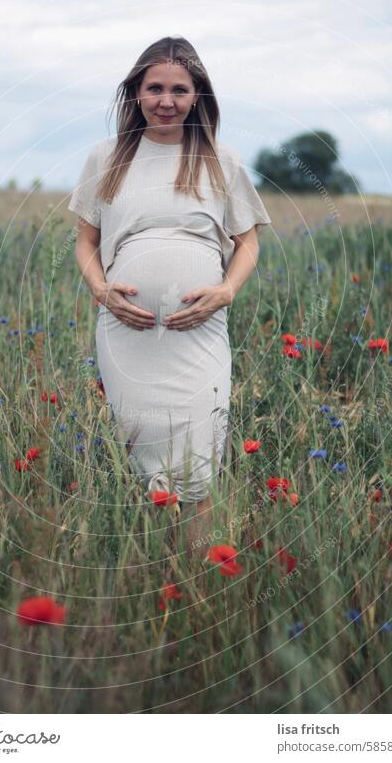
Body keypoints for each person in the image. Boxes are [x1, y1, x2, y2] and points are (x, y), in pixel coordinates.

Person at [69, 36, 271, 559]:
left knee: (198, 454)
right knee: (140, 454)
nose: (166, 100)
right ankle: (149, 570)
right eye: (154, 87)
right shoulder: (106, 158)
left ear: (197, 96)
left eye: (179, 90)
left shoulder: (221, 160)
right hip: (127, 332)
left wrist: (226, 290)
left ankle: (196, 578)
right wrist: (100, 289)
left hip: (199, 333)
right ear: (135, 92)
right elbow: (86, 242)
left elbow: (247, 242)